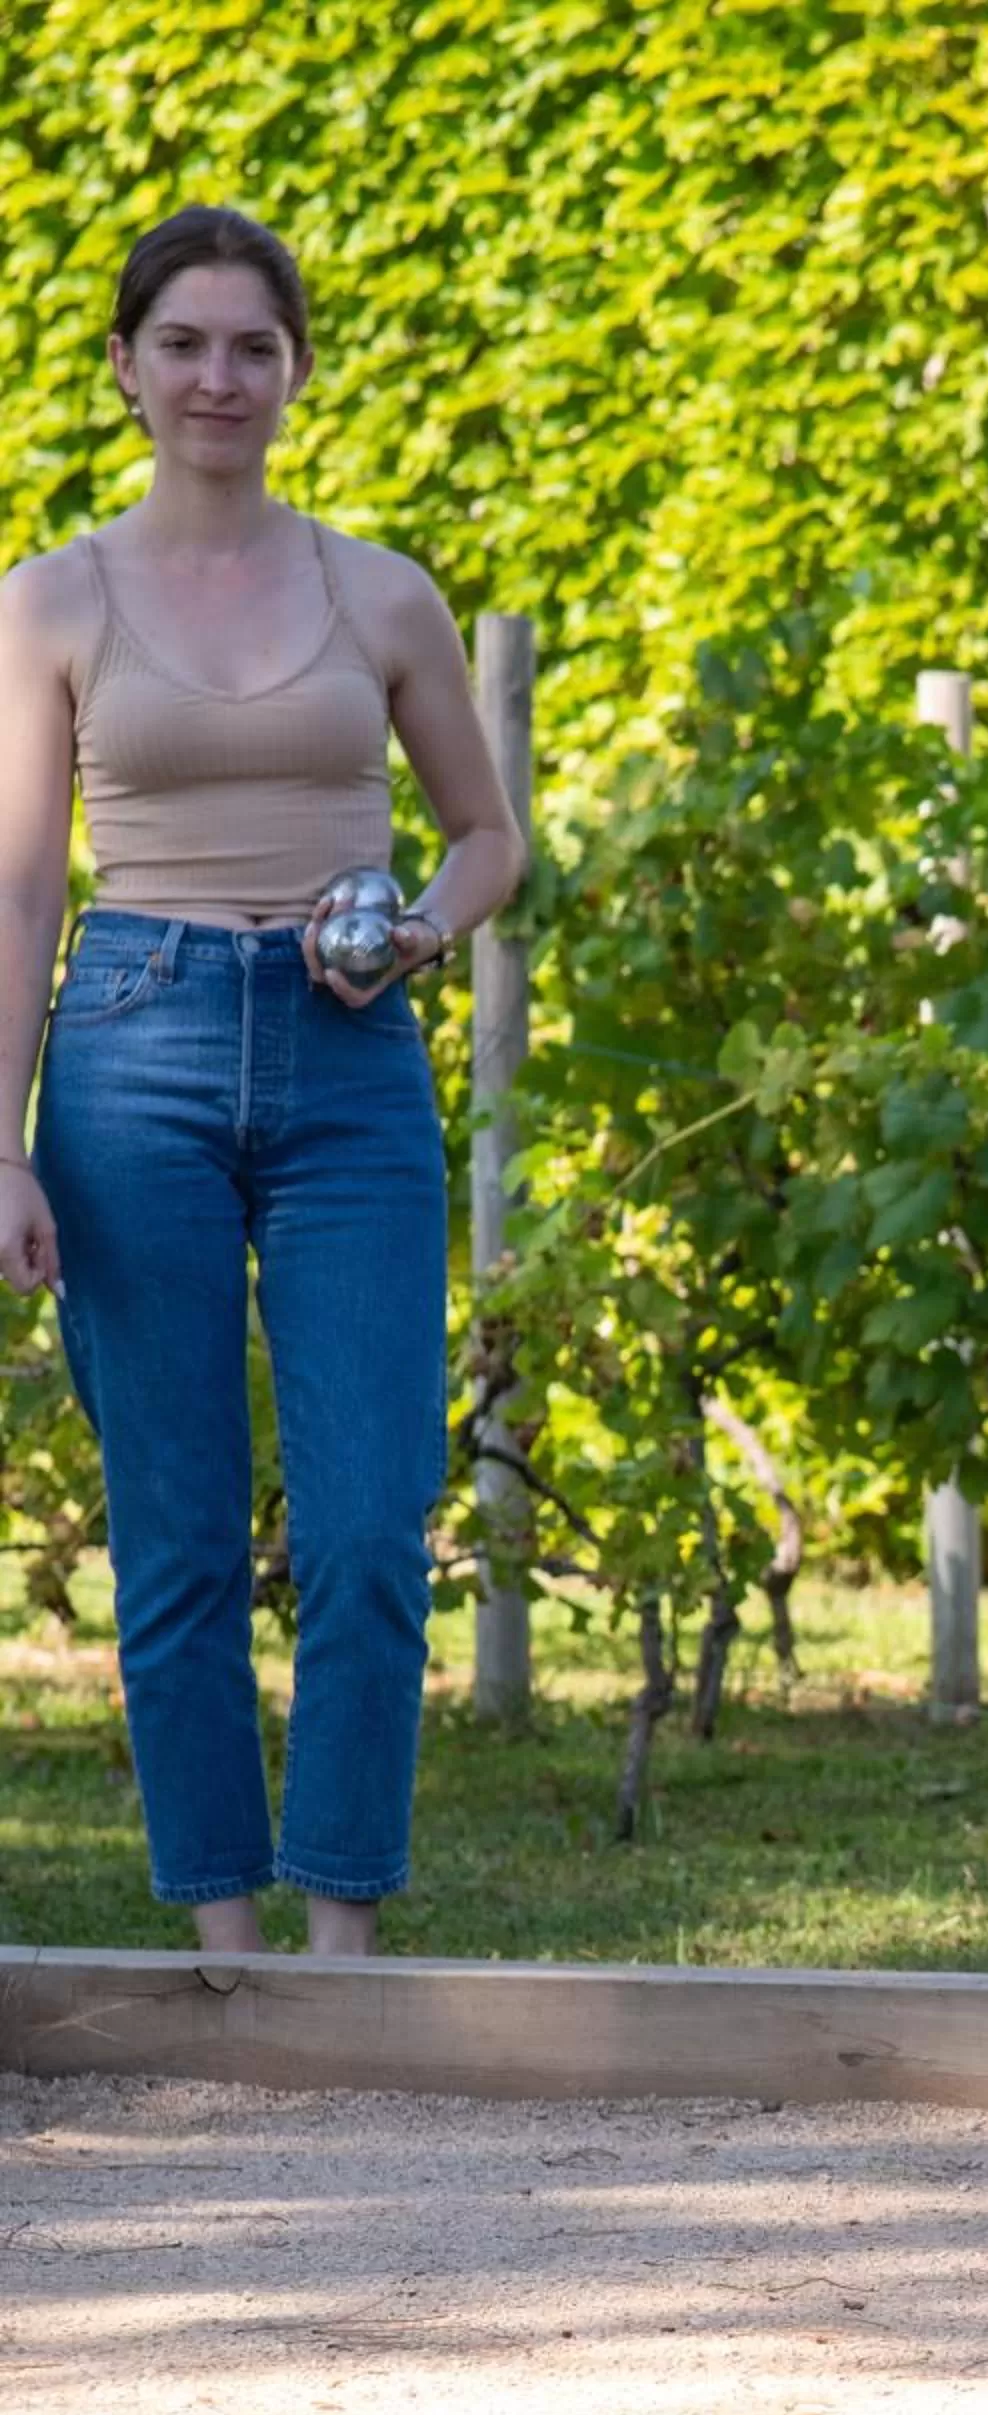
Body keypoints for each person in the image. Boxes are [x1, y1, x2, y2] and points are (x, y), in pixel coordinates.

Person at [0, 206, 525, 1955]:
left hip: (345, 1060)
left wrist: (419, 934)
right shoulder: (51, 600)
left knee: (371, 1522)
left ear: (297, 373)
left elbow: (487, 837)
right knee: (179, 1538)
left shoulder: (379, 591)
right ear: (126, 369)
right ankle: (228, 1957)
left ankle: (340, 1952)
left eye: (253, 347)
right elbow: (19, 888)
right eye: (184, 345)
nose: (217, 378)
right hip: (129, 1046)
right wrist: (1, 1148)